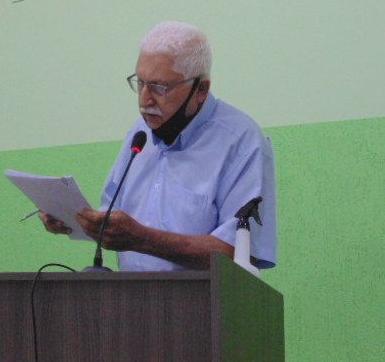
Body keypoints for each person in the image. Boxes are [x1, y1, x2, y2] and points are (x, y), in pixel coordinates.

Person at [41, 21, 276, 271]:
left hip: (204, 297)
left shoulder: (242, 142)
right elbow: (112, 219)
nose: (144, 100)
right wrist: (72, 219)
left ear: (201, 89)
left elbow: (239, 254)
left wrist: (143, 239)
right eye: (140, 83)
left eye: (159, 88)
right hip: (132, 294)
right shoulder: (140, 134)